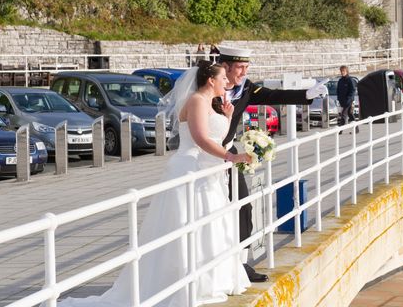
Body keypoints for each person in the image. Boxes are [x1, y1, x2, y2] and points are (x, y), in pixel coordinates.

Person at [50, 62, 252, 306]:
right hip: (191, 167)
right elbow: (200, 139)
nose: (226, 83)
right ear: (210, 80)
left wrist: (228, 117)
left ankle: (211, 277)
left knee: (210, 224)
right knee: (188, 223)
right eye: (222, 79)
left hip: (208, 171)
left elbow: (217, 136)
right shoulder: (198, 100)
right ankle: (185, 280)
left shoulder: (210, 103)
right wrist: (231, 157)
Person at [217, 46, 328, 282]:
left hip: (229, 154)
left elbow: (271, 96)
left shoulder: (244, 87)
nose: (244, 72)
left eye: (247, 67)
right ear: (225, 66)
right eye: (240, 67)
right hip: (208, 159)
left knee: (244, 207)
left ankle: (241, 264)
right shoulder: (208, 88)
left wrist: (306, 95)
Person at [337, 65, 357, 133]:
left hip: (349, 101)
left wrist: (349, 99)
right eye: (341, 71)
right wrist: (339, 99)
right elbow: (338, 91)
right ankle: (356, 129)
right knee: (350, 114)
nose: (342, 72)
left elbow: (352, 91)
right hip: (342, 101)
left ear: (346, 71)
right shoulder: (340, 81)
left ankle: (340, 130)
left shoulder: (350, 80)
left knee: (343, 114)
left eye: (343, 71)